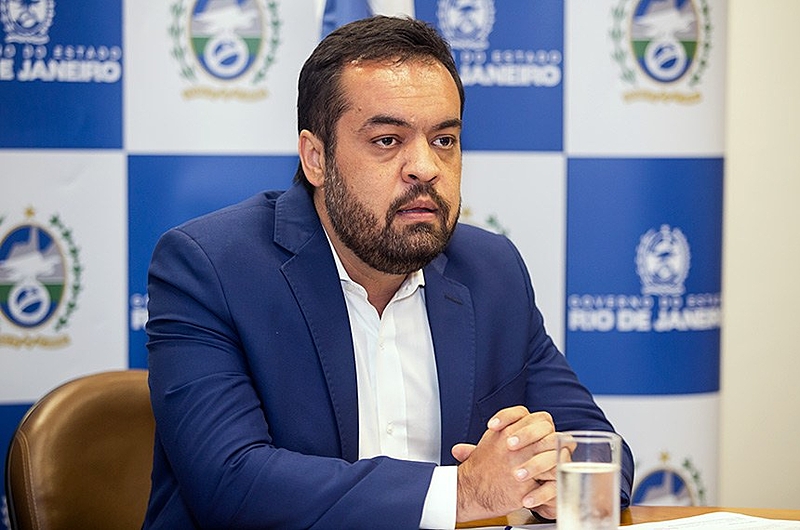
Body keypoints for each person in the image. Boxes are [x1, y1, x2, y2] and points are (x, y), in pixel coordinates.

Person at [143, 15, 633, 530]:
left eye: (444, 139)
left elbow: (604, 452)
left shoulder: (493, 272)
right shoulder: (210, 268)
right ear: (316, 157)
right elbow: (230, 485)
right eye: (387, 140)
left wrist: (554, 477)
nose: (425, 167)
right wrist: (463, 493)